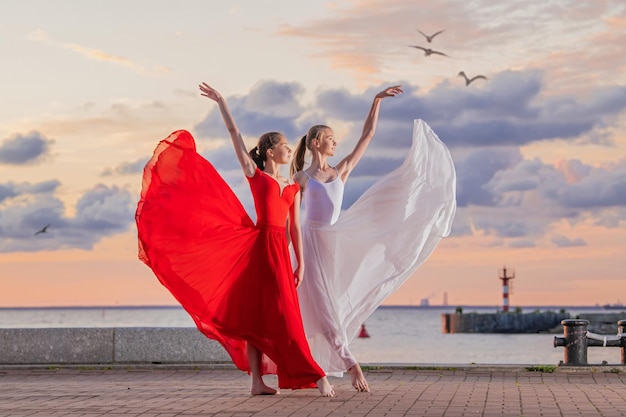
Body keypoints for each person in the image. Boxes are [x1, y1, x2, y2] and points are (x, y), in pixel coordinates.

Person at [136, 82, 334, 397]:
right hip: (259, 249)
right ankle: (302, 375)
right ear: (271, 152)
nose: (287, 149)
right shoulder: (258, 177)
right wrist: (221, 102)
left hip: (280, 252)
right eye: (283, 145)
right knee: (266, 316)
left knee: (281, 314)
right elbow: (234, 135)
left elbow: (294, 227)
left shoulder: (293, 185)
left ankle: (272, 379)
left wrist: (302, 263)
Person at [290, 85, 457, 392]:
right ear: (316, 143)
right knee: (318, 309)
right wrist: (297, 259)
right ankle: (347, 366)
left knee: (332, 309)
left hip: (336, 244)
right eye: (330, 138)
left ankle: (321, 371)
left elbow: (366, 136)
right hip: (310, 245)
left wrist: (376, 101)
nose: (336, 142)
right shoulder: (301, 178)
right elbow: (291, 219)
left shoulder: (342, 171)